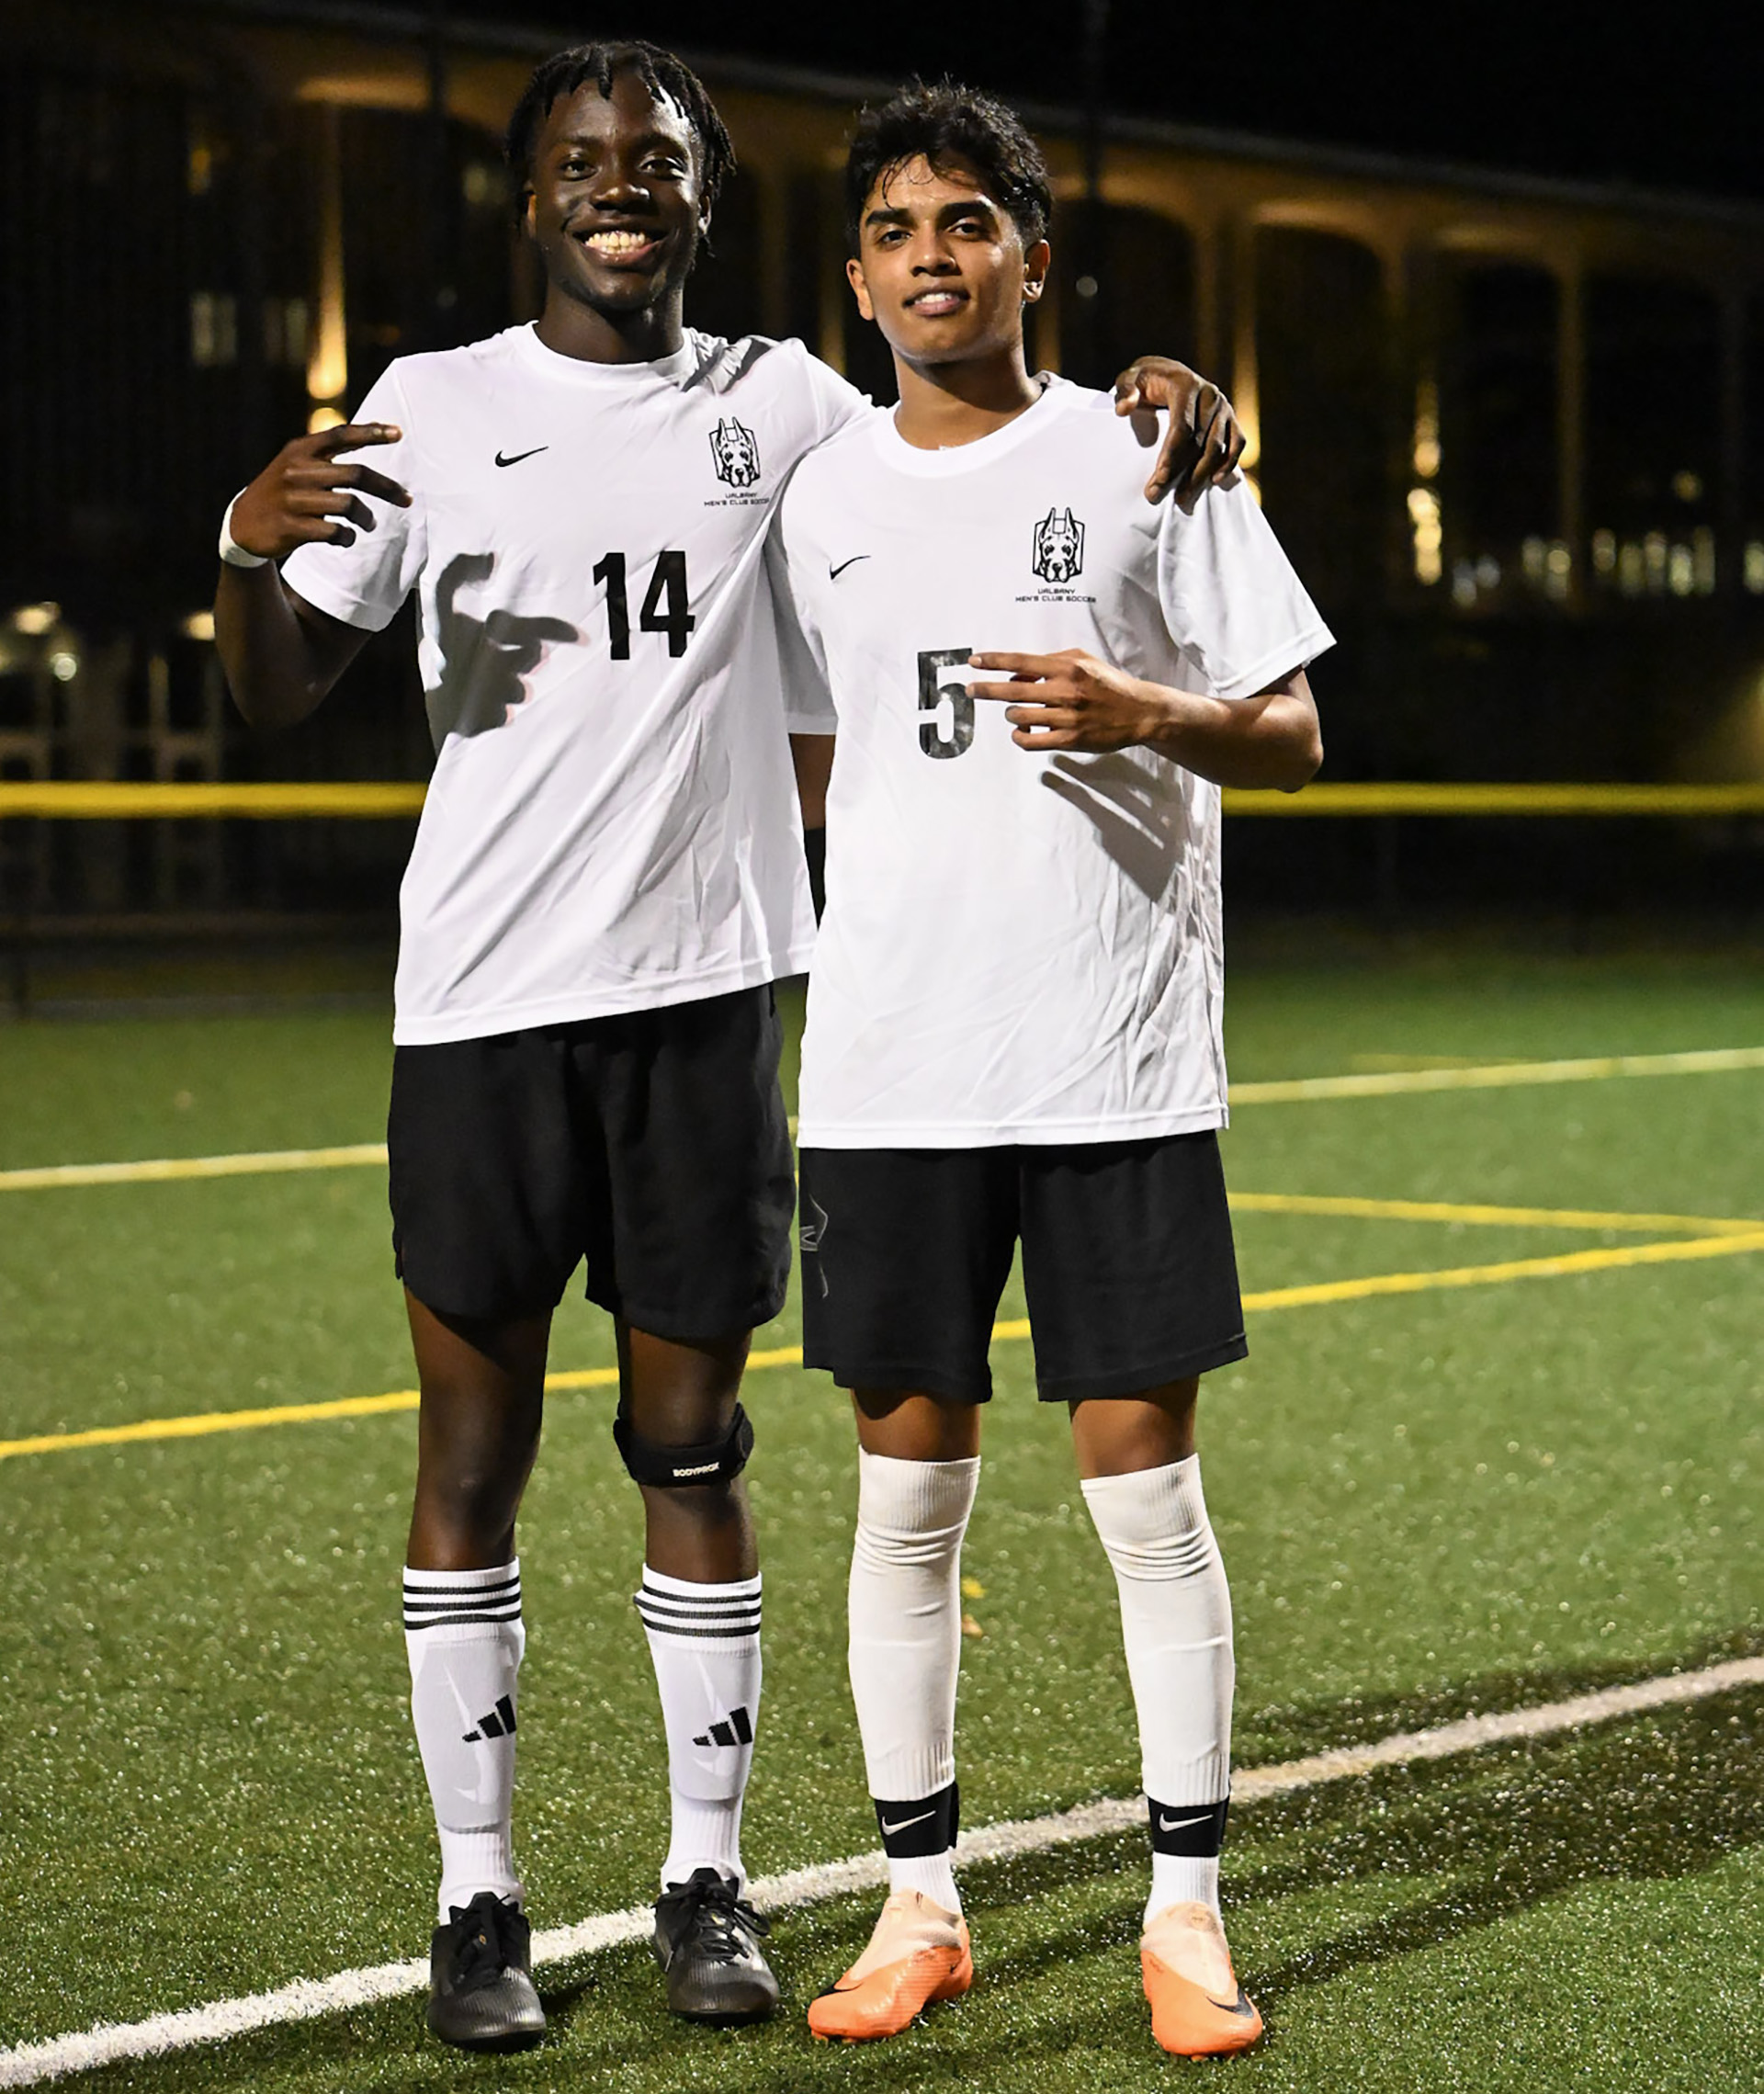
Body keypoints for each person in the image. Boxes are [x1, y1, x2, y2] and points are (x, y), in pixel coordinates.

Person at [213, 38, 1243, 2054]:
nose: (621, 185)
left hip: (709, 1002)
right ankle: (477, 1901)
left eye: (658, 160)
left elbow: (969, 430)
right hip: (482, 1008)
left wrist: (1166, 395)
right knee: (473, 1455)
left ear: (700, 194)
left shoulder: (778, 399)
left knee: (692, 1448)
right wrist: (247, 549)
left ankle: (706, 1880)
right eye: (584, 161)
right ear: (530, 199)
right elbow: (274, 690)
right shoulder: (430, 409)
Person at [776, 81, 1330, 2057]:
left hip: (1110, 1060)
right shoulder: (817, 492)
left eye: (970, 222)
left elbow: (1289, 736)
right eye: (898, 229)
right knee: (901, 1500)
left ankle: (1185, 1914)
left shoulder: (1147, 445)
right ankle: (918, 1900)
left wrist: (1141, 708)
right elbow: (793, 750)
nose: (934, 255)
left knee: (1142, 1492)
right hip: (891, 1068)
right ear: (855, 279)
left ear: (1034, 255)